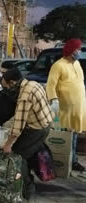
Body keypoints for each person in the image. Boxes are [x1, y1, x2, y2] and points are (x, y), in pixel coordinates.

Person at [2, 68, 53, 199]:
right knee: (27, 154)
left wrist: (8, 145)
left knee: (18, 156)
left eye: (6, 86)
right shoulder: (33, 83)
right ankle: (27, 179)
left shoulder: (24, 96)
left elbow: (18, 126)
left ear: (13, 83)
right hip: (45, 124)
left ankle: (28, 188)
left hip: (36, 130)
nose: (6, 90)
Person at [46, 38, 86, 172]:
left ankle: (72, 160)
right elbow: (51, 84)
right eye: (78, 49)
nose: (79, 52)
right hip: (65, 108)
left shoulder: (77, 64)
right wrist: (53, 99)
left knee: (75, 134)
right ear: (71, 50)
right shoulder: (59, 65)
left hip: (78, 107)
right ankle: (67, 161)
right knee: (67, 136)